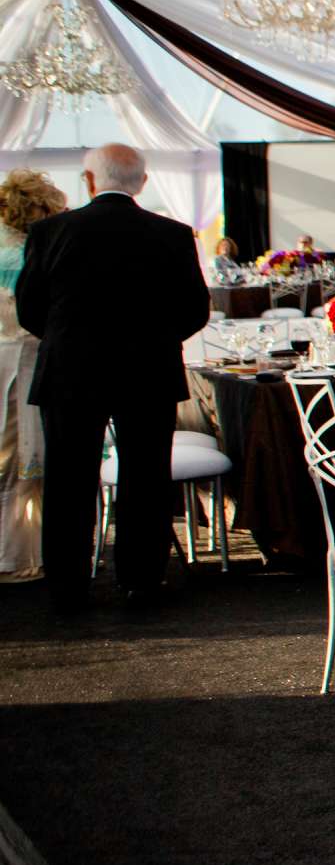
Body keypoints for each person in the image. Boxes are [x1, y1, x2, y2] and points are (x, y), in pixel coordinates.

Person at [15, 145, 211, 613]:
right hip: (149, 371)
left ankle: (67, 588)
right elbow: (195, 310)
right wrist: (157, 340)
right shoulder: (173, 234)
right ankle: (140, 581)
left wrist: (66, 340)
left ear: (88, 181)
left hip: (69, 371)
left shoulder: (50, 231)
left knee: (69, 481)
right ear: (142, 183)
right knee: (145, 476)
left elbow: (28, 309)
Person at [0, 170, 69, 583]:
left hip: (9, 357)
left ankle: (18, 551)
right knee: (26, 461)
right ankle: (17, 557)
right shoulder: (28, 256)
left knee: (11, 461)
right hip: (23, 361)